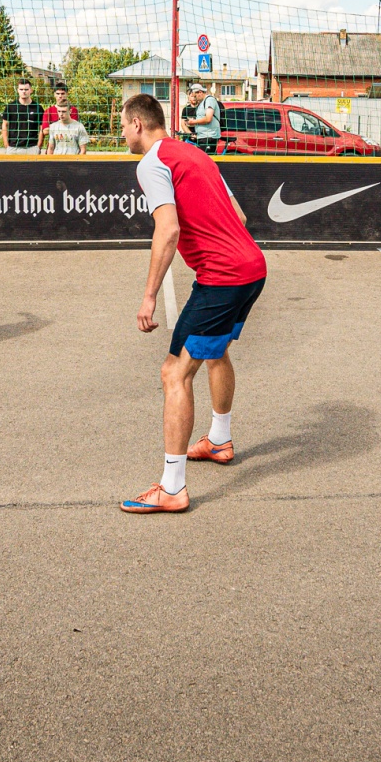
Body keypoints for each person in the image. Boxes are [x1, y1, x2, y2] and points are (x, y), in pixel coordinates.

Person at [118, 92, 266, 514]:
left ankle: (172, 487)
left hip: (223, 278)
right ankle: (219, 440)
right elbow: (239, 217)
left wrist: (149, 296)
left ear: (138, 124)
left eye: (124, 126)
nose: (123, 133)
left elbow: (168, 230)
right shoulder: (197, 154)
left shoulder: (152, 163)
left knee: (174, 373)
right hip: (253, 268)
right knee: (215, 352)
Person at [0, 78, 43, 153]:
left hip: (32, 147)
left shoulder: (38, 108)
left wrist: (38, 146)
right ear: (17, 90)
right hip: (13, 147)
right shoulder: (10, 107)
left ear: (31, 90)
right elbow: (4, 125)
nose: (24, 91)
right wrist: (6, 145)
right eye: (21, 89)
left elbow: (42, 128)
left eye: (26, 89)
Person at [181, 82, 222, 152]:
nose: (195, 98)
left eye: (195, 96)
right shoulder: (201, 103)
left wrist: (194, 122)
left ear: (200, 92)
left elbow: (208, 118)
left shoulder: (209, 100)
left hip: (208, 136)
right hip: (203, 136)